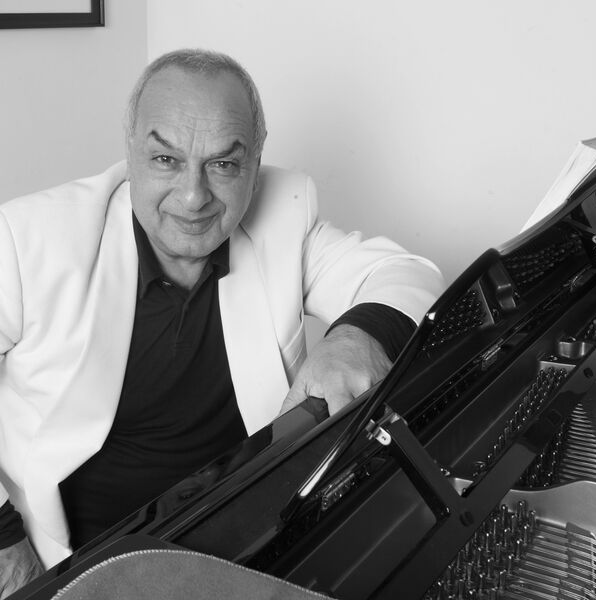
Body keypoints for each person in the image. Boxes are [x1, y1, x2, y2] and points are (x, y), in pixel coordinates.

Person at [0, 49, 444, 597]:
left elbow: (404, 274)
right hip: (79, 567)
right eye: (166, 159)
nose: (193, 197)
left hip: (247, 548)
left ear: (255, 162)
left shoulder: (285, 215)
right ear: (131, 150)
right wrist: (5, 548)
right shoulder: (27, 239)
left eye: (223, 164)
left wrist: (355, 339)